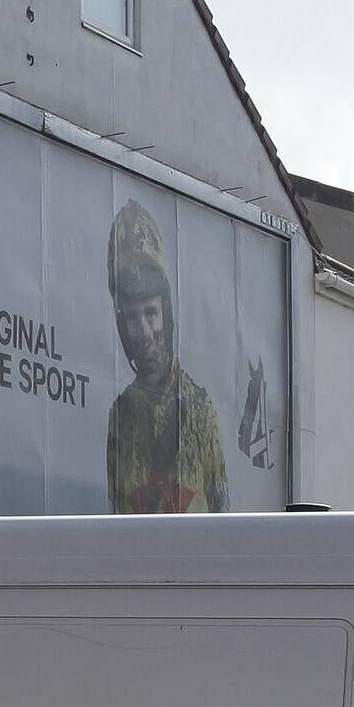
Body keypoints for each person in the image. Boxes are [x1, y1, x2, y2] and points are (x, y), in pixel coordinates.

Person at [105, 200, 229, 514]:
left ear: (167, 315)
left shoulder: (200, 410)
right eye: (132, 318)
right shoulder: (120, 416)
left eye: (150, 314)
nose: (144, 332)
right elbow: (116, 514)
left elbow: (223, 513)